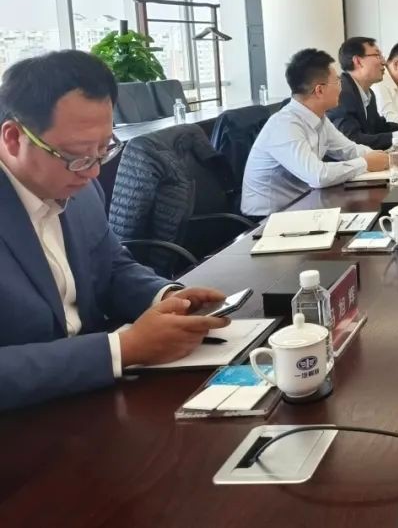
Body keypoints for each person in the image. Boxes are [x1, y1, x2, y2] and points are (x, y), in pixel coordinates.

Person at [0, 50, 228, 410]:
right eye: (77, 155)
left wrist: (166, 297)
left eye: (104, 149)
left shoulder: (81, 188)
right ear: (13, 138)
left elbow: (111, 266)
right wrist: (123, 348)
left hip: (96, 399)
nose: (93, 171)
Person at [241, 48, 390, 217]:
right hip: (268, 219)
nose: (341, 88)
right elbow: (317, 176)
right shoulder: (284, 125)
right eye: (338, 82)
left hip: (303, 205)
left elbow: (348, 149)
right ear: (319, 90)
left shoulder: (319, 118)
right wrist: (365, 163)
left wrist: (382, 158)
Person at [328, 37, 398, 150]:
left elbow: (379, 127)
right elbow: (352, 140)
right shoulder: (341, 93)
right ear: (358, 61)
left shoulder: (368, 93)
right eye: (377, 55)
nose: (384, 62)